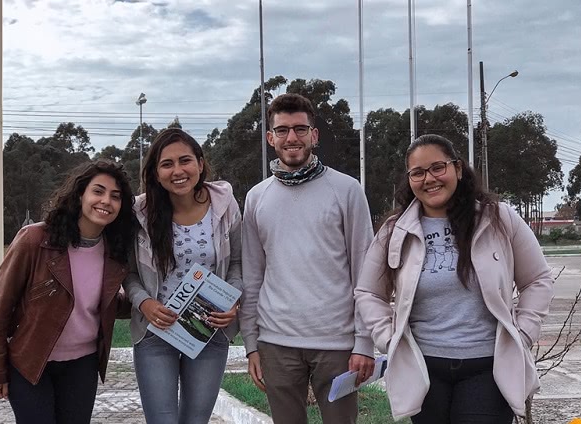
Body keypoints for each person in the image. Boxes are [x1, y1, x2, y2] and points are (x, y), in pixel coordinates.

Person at [354, 134, 555, 423]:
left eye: (438, 167)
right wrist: (389, 339)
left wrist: (523, 333)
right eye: (418, 172)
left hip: (488, 366)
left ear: (457, 169)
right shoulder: (394, 230)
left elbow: (537, 279)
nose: (429, 179)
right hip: (423, 369)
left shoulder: (499, 219)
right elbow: (368, 292)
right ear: (409, 180)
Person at [239, 93, 375, 424]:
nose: (292, 138)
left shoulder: (347, 190)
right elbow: (252, 275)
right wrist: (251, 344)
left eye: (300, 129)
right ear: (271, 138)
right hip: (275, 343)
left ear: (314, 135)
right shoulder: (257, 198)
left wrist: (364, 343)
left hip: (337, 345)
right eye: (282, 130)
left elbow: (367, 273)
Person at [0, 160, 136, 424]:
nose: (106, 201)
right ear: (80, 195)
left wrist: (148, 303)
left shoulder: (115, 250)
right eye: (98, 191)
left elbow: (106, 302)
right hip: (31, 364)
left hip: (82, 366)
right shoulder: (35, 239)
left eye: (115, 196)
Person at [124, 128, 242, 424]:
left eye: (185, 161)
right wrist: (144, 304)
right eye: (167, 164)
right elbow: (128, 274)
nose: (178, 171)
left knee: (195, 420)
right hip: (156, 332)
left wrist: (232, 301)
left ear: (200, 164)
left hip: (208, 331)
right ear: (155, 172)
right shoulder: (139, 213)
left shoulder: (225, 207)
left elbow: (238, 263)